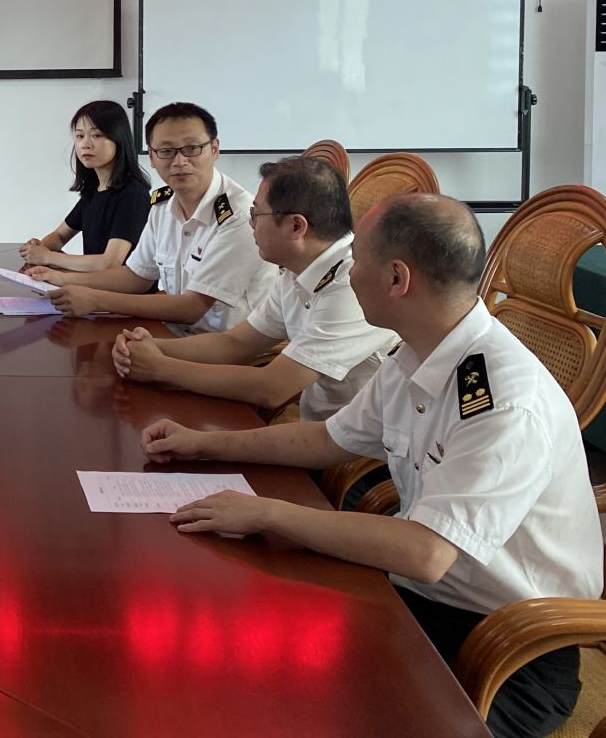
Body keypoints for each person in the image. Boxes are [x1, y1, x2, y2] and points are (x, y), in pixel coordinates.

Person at [143, 195, 602, 738]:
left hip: (506, 647)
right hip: (421, 599)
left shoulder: (502, 400)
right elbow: (326, 439)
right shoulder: (420, 352)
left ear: (397, 278)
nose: (349, 272)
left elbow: (426, 552)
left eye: (356, 258)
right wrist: (202, 446)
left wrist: (268, 513)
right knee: (256, 655)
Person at [111, 155, 396, 420]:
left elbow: (272, 388)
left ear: (296, 227)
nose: (250, 223)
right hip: (324, 428)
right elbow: (235, 344)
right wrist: (149, 347)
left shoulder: (352, 285)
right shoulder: (297, 269)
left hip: (362, 450)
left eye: (256, 214)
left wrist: (160, 368)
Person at [34, 102, 273, 332]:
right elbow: (136, 277)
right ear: (151, 156)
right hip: (175, 331)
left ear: (214, 149)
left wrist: (96, 299)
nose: (180, 161)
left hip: (230, 348)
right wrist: (60, 279)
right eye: (166, 151)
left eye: (192, 149)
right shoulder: (162, 207)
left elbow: (192, 308)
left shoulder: (239, 215)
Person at [19, 99, 150, 273]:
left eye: (97, 135)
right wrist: (39, 248)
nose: (85, 144)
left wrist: (48, 257)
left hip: (119, 289)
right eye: (80, 136)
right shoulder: (94, 191)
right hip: (93, 283)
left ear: (118, 139)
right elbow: (60, 236)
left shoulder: (133, 195)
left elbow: (110, 262)